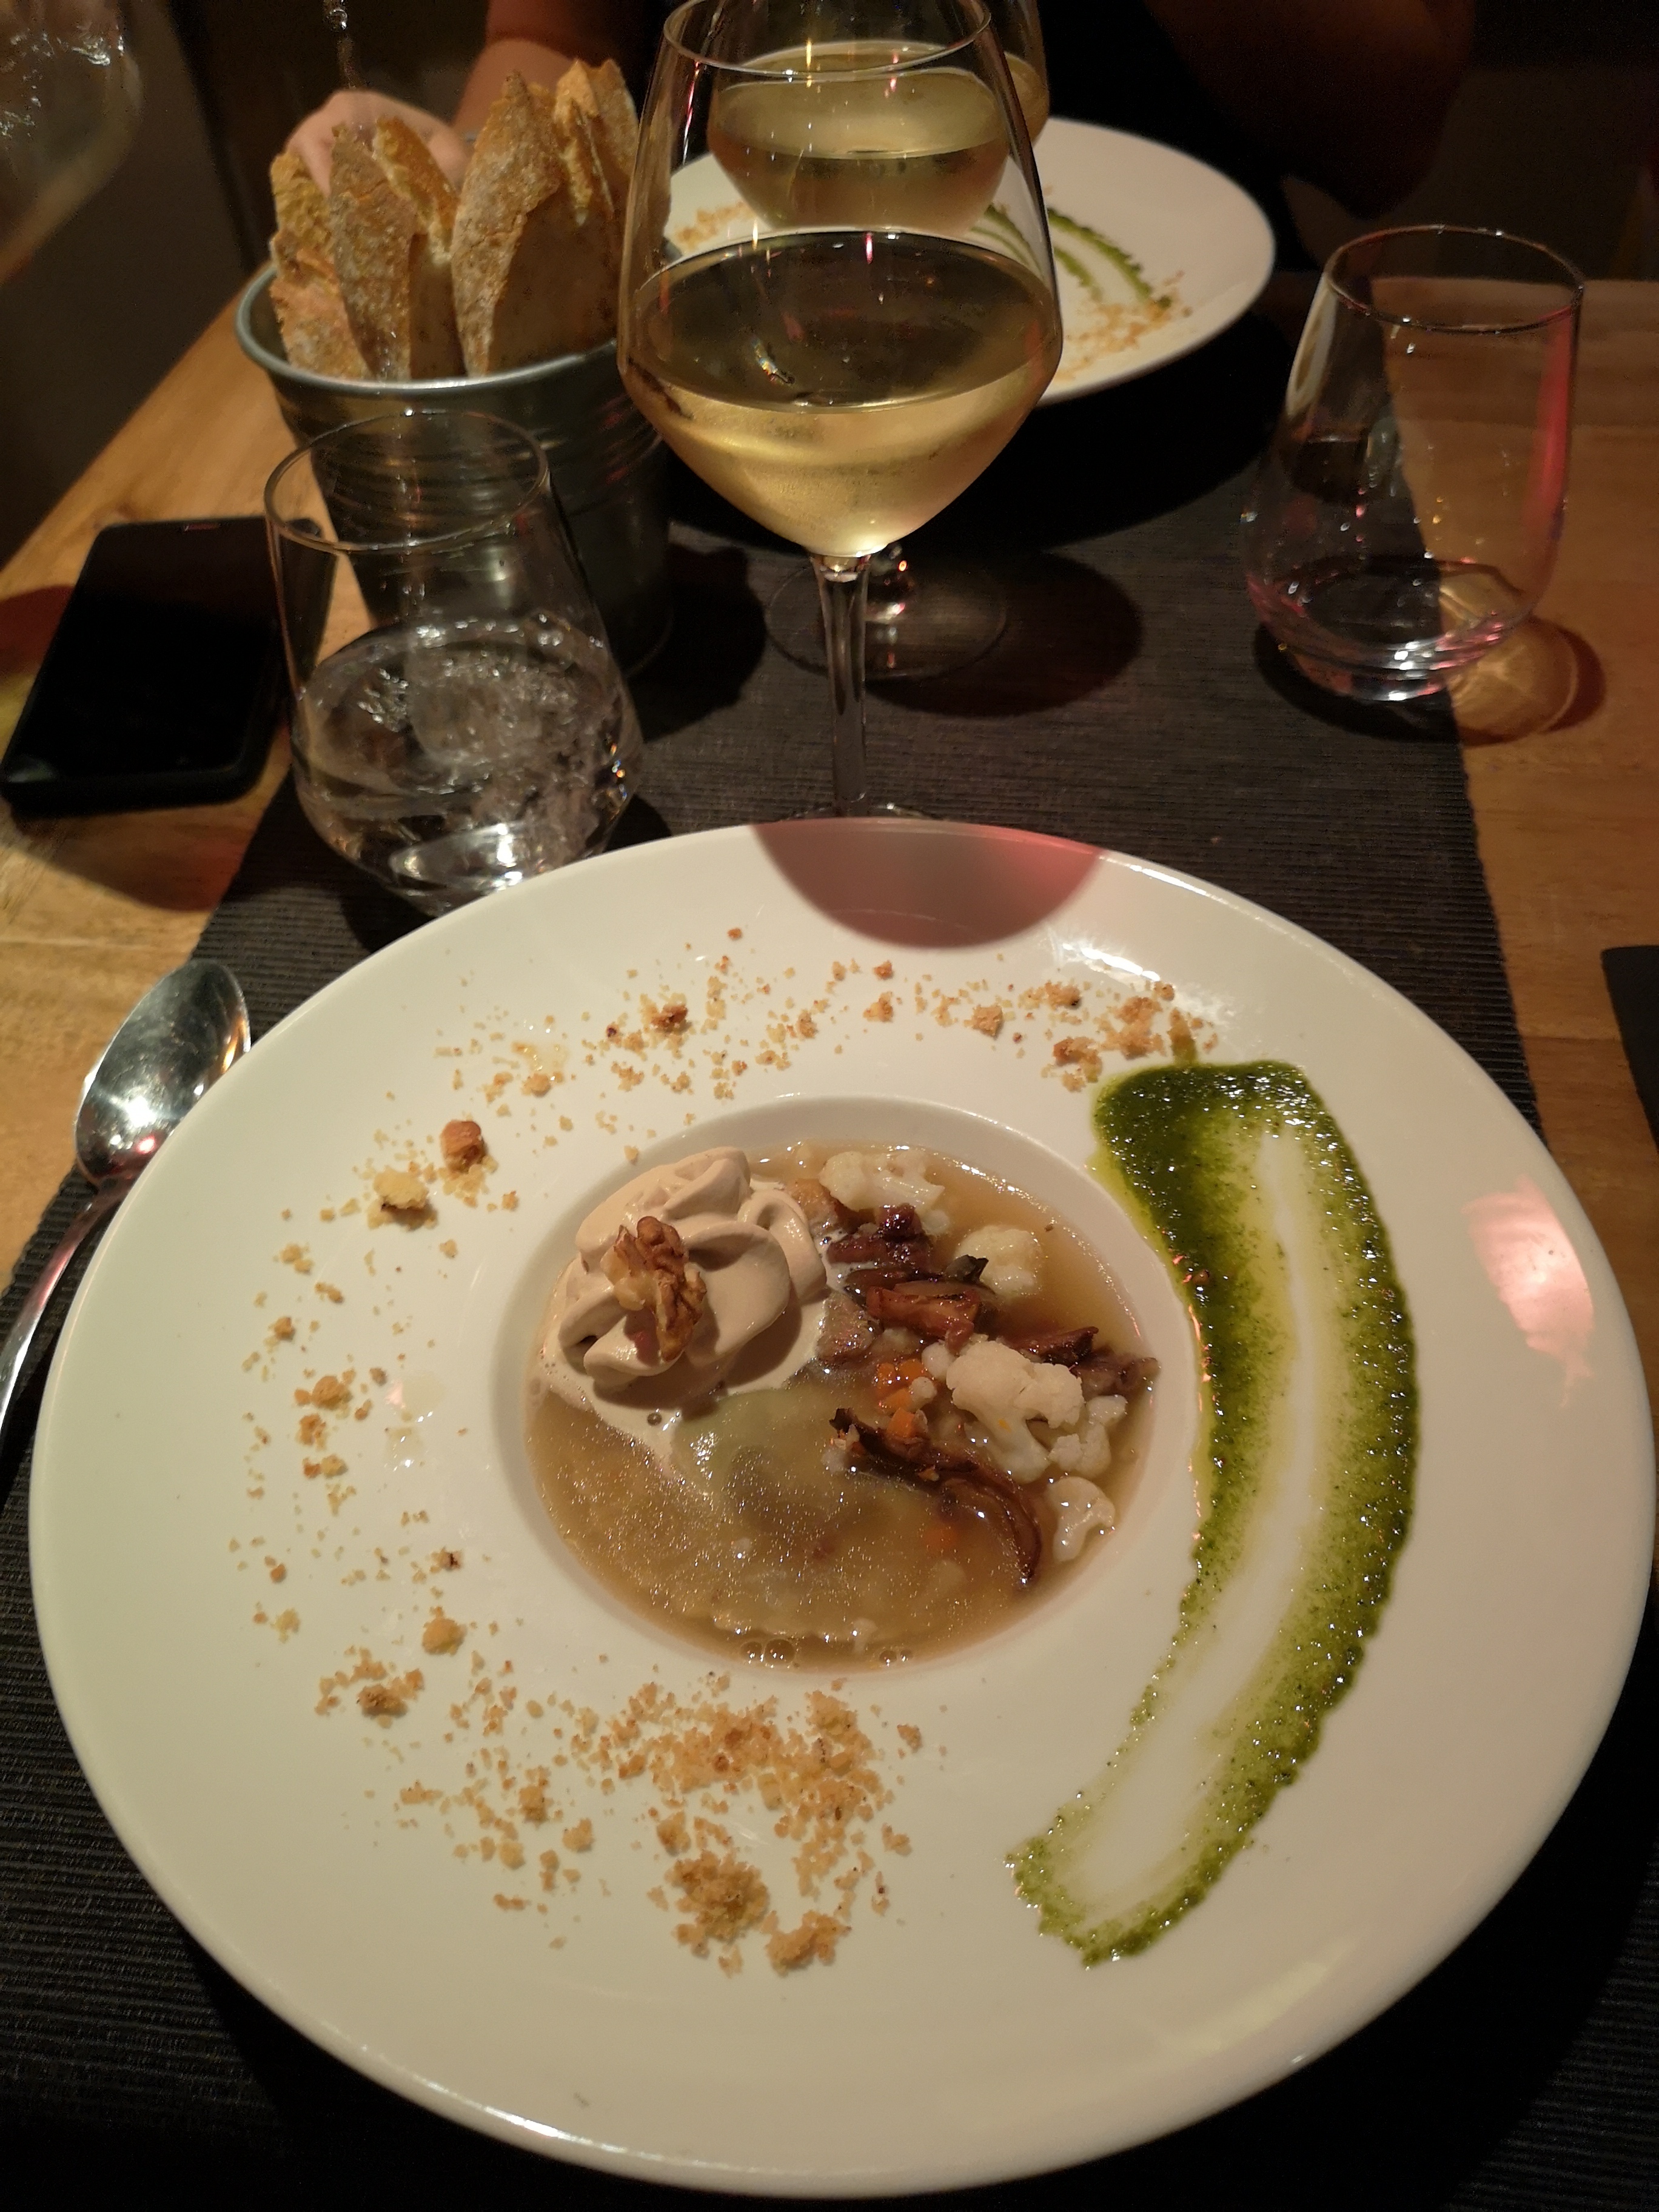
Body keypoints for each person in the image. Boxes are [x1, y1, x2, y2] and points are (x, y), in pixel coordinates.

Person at [287, 0, 1473, 264]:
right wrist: (480, 168)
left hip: (1199, 431)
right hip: (730, 383)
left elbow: (1384, 137)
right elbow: (549, 43)